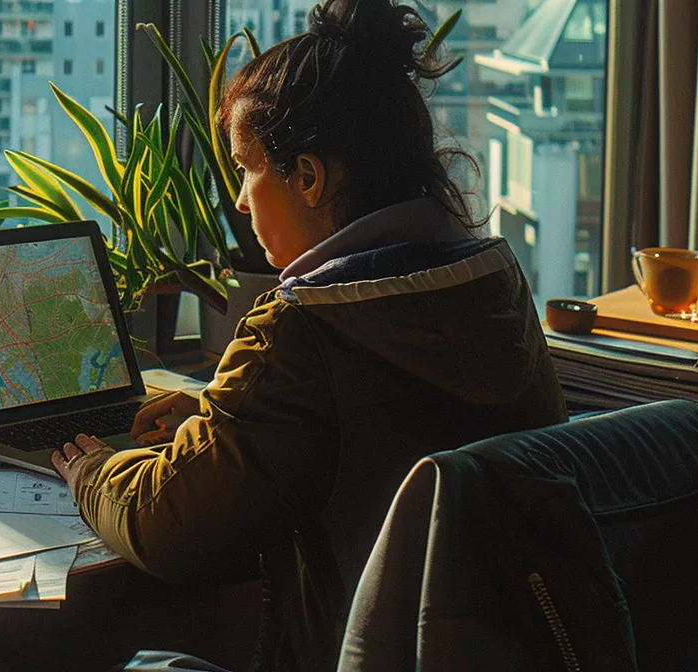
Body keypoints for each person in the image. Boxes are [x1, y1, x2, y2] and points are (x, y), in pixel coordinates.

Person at [49, 1, 568, 670]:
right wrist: (223, 424)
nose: (239, 200)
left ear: (310, 177)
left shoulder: (304, 328)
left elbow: (167, 523)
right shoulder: (492, 285)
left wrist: (90, 472)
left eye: (246, 168)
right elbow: (367, 433)